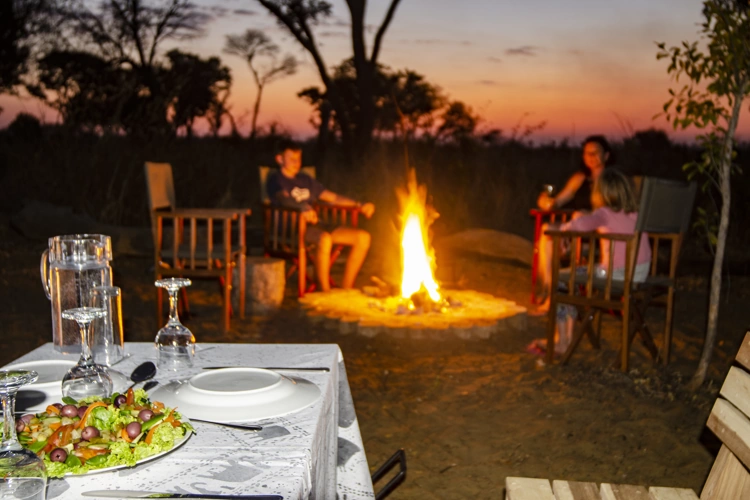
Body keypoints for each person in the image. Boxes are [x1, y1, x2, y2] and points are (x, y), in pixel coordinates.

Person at [531, 169, 652, 352]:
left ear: (599, 193)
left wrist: (563, 231)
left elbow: (579, 225)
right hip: (640, 274)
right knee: (582, 272)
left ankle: (562, 341)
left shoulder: (604, 213)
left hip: (614, 275)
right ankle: (565, 337)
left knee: (562, 279)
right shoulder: (636, 213)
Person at [266, 140, 375, 292]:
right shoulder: (275, 179)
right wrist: (302, 208)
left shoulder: (306, 179)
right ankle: (325, 291)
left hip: (316, 225)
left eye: (298, 158)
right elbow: (283, 198)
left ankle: (347, 289)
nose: (296, 162)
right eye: (291, 159)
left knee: (363, 237)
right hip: (291, 229)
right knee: (324, 238)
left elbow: (333, 198)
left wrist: (359, 205)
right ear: (279, 159)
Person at [537, 135, 612, 211]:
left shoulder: (614, 180)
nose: (591, 156)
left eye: (595, 152)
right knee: (547, 224)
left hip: (605, 221)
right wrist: (547, 202)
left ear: (606, 156)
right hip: (581, 221)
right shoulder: (579, 179)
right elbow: (558, 202)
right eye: (587, 152)